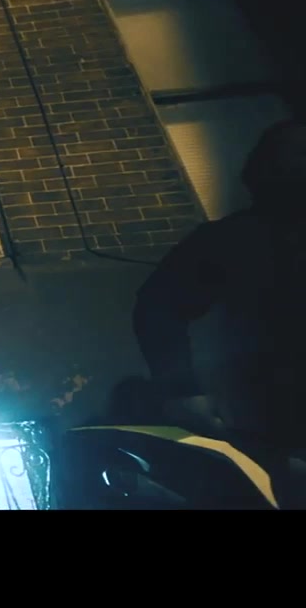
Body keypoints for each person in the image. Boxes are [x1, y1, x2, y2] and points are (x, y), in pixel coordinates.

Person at [132, 118, 306, 507]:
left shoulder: (233, 238)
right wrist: (182, 390)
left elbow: (157, 306)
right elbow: (158, 306)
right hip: (280, 421)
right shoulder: (237, 239)